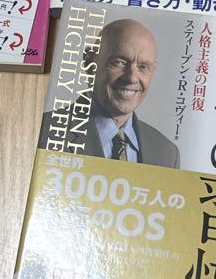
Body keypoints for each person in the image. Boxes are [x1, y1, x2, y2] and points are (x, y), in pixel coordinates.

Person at [38, 18, 180, 168]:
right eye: (119, 62)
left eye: (143, 67)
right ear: (90, 63)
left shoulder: (168, 154)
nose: (131, 78)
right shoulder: (43, 132)